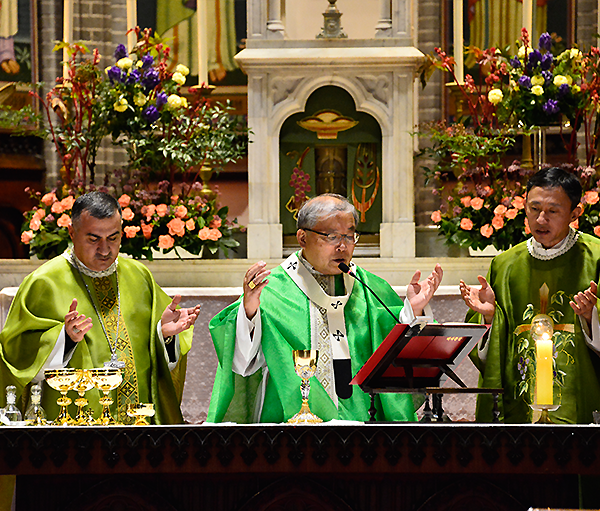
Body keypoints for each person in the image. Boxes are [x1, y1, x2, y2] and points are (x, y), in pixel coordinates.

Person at [208, 193, 443, 423]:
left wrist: (413, 311)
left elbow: (397, 356)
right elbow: (243, 363)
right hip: (290, 430)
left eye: (349, 236)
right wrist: (248, 313)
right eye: (331, 236)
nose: (342, 246)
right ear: (302, 238)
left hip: (366, 432)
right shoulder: (271, 290)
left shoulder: (370, 287)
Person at [0, 191, 200, 425]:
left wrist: (164, 336)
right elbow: (15, 359)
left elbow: (162, 362)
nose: (105, 250)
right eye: (94, 239)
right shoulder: (44, 282)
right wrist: (64, 340)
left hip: (139, 430)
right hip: (73, 432)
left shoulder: (139, 276)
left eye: (113, 238)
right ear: (72, 233)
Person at [460, 167, 600, 424]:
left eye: (553, 211)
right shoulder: (505, 265)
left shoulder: (596, 258)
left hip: (582, 407)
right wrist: (491, 319)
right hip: (518, 410)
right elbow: (484, 351)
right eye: (534, 209)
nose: (541, 219)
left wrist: (592, 318)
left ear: (575, 213)